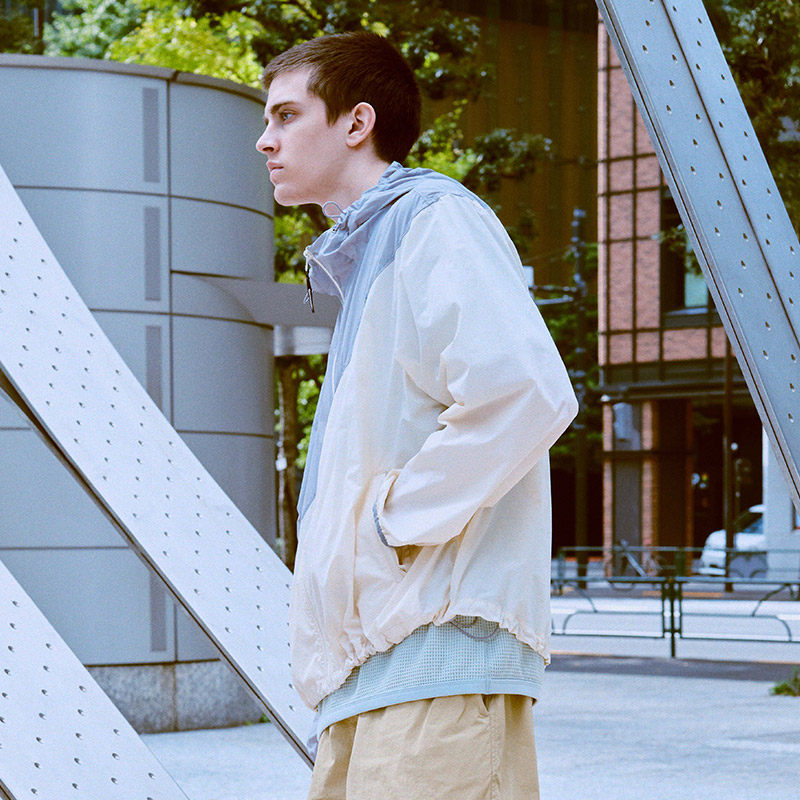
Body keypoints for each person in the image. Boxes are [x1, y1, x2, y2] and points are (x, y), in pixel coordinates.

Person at [256, 30, 578, 800]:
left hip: (434, 655)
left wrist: (388, 523)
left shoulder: (435, 219)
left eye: (287, 116)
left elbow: (526, 391)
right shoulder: (376, 251)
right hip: (377, 668)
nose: (265, 140)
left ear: (356, 122)